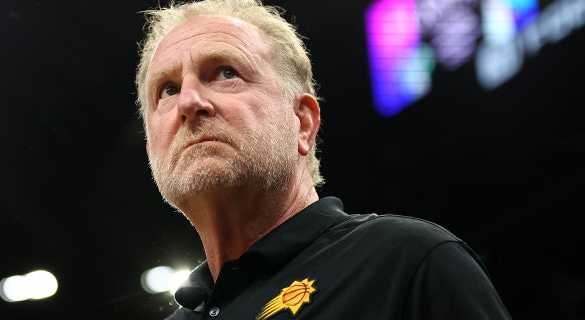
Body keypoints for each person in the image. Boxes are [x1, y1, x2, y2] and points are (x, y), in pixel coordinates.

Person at [134, 0, 513, 319]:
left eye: (225, 73)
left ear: (302, 122)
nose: (188, 102)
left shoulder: (409, 263)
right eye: (168, 89)